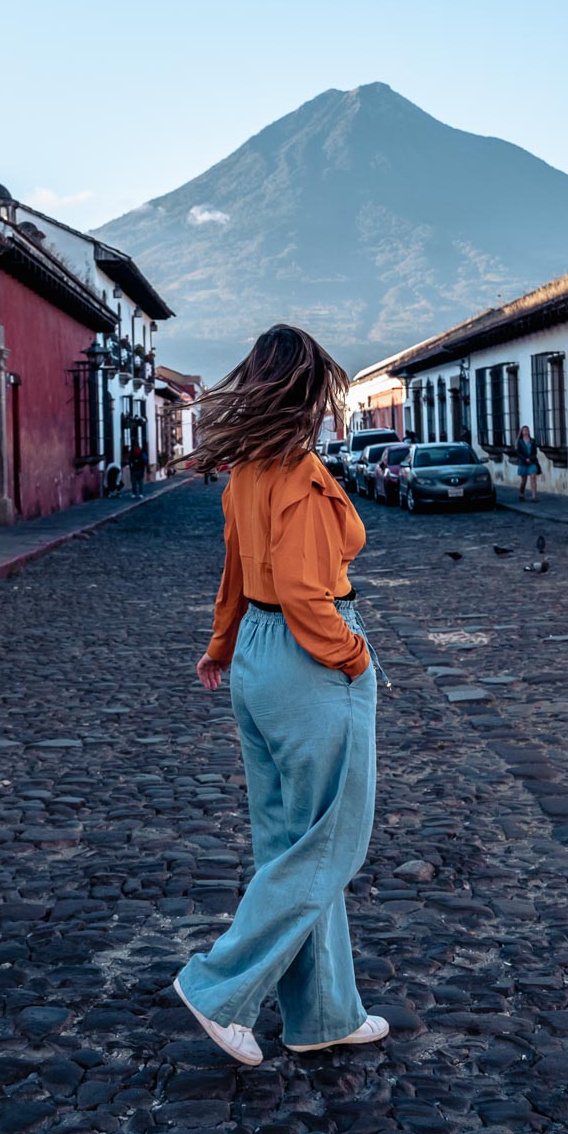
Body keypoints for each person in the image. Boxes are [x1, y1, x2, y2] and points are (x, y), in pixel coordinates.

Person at [172, 324, 390, 1067]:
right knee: (331, 842)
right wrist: (353, 655)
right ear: (309, 395)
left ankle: (323, 1014)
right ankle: (216, 987)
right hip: (307, 657)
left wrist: (222, 648)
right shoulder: (296, 474)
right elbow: (303, 590)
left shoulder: (244, 473)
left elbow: (234, 575)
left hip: (258, 661)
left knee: (289, 845)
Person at [516, 423, 542, 501]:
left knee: (533, 477)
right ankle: (521, 494)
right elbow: (518, 453)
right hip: (523, 463)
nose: (525, 431)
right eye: (524, 430)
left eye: (527, 430)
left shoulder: (532, 441)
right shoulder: (519, 442)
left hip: (532, 462)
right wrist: (525, 459)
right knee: (524, 481)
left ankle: (534, 496)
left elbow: (535, 452)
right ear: (522, 432)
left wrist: (531, 458)